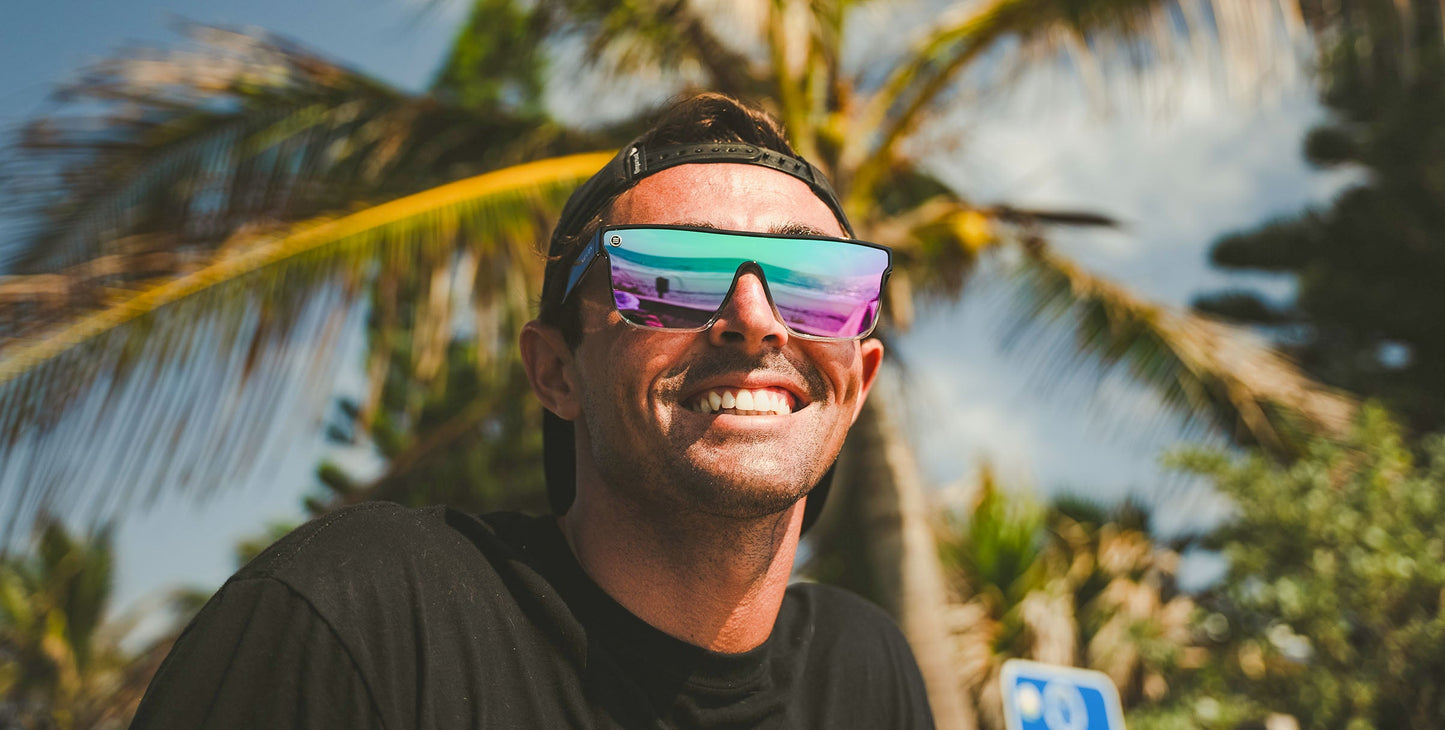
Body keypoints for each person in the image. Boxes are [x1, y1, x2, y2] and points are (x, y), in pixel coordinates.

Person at [130, 93, 935, 729]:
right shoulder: (360, 619)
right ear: (555, 371)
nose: (755, 317)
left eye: (818, 282)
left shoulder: (866, 673)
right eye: (669, 274)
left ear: (858, 381)